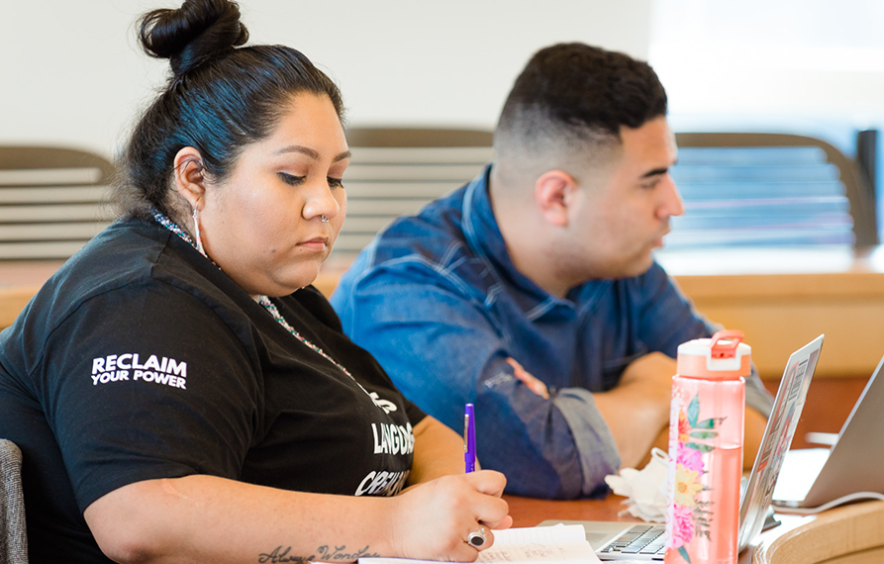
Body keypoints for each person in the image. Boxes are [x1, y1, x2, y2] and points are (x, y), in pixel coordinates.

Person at [0, 2, 511, 562]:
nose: (326, 205)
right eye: (293, 176)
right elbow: (141, 517)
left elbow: (416, 432)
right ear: (194, 176)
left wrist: (452, 501)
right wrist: (393, 525)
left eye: (336, 178)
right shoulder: (139, 299)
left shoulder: (278, 293)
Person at [331, 43, 773, 500]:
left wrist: (605, 436)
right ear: (558, 198)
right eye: (650, 180)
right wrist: (658, 392)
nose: (674, 205)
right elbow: (545, 464)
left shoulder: (623, 263)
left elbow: (759, 422)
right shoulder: (403, 290)